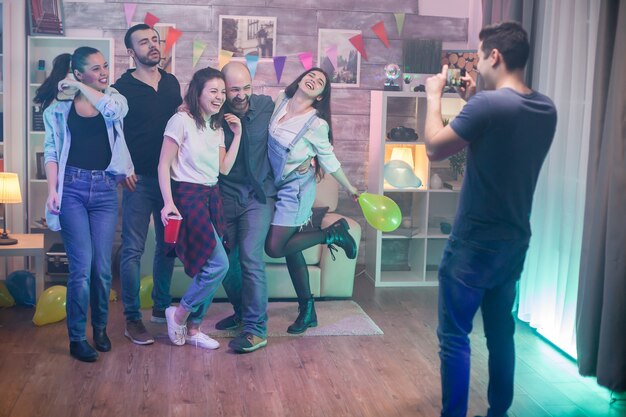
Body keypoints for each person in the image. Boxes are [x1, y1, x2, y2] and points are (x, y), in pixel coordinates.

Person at [423, 22, 557, 417]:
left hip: (473, 243)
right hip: (514, 239)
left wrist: (434, 98)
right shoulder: (545, 108)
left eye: (480, 56)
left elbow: (433, 148)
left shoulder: (488, 105)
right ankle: (499, 413)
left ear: (494, 56)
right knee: (501, 335)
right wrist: (473, 100)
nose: (477, 65)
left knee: (454, 337)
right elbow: (499, 137)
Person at [37, 47, 133, 362]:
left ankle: (101, 329)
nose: (104, 72)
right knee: (80, 269)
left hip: (105, 191)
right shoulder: (57, 110)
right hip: (73, 191)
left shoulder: (114, 98)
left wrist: (83, 88)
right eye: (95, 68)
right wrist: (53, 190)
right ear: (78, 73)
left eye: (104, 66)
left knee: (102, 269)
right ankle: (77, 338)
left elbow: (113, 113)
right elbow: (51, 151)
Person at [263, 67, 359, 334]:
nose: (314, 80)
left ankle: (331, 233)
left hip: (295, 189)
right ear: (300, 78)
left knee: (274, 247)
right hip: (275, 184)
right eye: (312, 75)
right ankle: (308, 311)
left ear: (320, 96)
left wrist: (350, 186)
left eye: (320, 82)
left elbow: (328, 159)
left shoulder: (316, 123)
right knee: (291, 249)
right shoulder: (281, 100)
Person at [158, 67, 242, 349]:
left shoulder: (217, 126)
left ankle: (193, 329)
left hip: (212, 196)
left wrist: (237, 134)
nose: (219, 97)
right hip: (187, 196)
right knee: (218, 263)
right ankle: (179, 314)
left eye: (222, 92)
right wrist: (168, 203)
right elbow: (163, 164)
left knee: (212, 264)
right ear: (198, 92)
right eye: (213, 91)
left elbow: (224, 168)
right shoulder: (180, 120)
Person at [113, 23, 182, 345]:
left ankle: (161, 308)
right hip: (137, 180)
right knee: (133, 250)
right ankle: (131, 319)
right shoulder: (120, 88)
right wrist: (121, 166)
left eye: (155, 40)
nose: (153, 45)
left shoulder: (171, 84)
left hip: (170, 179)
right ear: (131, 52)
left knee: (168, 247)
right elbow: (112, 133)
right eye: (144, 42)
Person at [213, 62, 276, 354]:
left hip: (257, 196)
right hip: (225, 196)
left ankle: (255, 329)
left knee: (250, 257)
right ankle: (241, 312)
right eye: (234, 89)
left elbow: (301, 120)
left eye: (246, 88)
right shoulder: (213, 112)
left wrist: (311, 156)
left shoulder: (266, 106)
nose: (241, 95)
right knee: (221, 261)